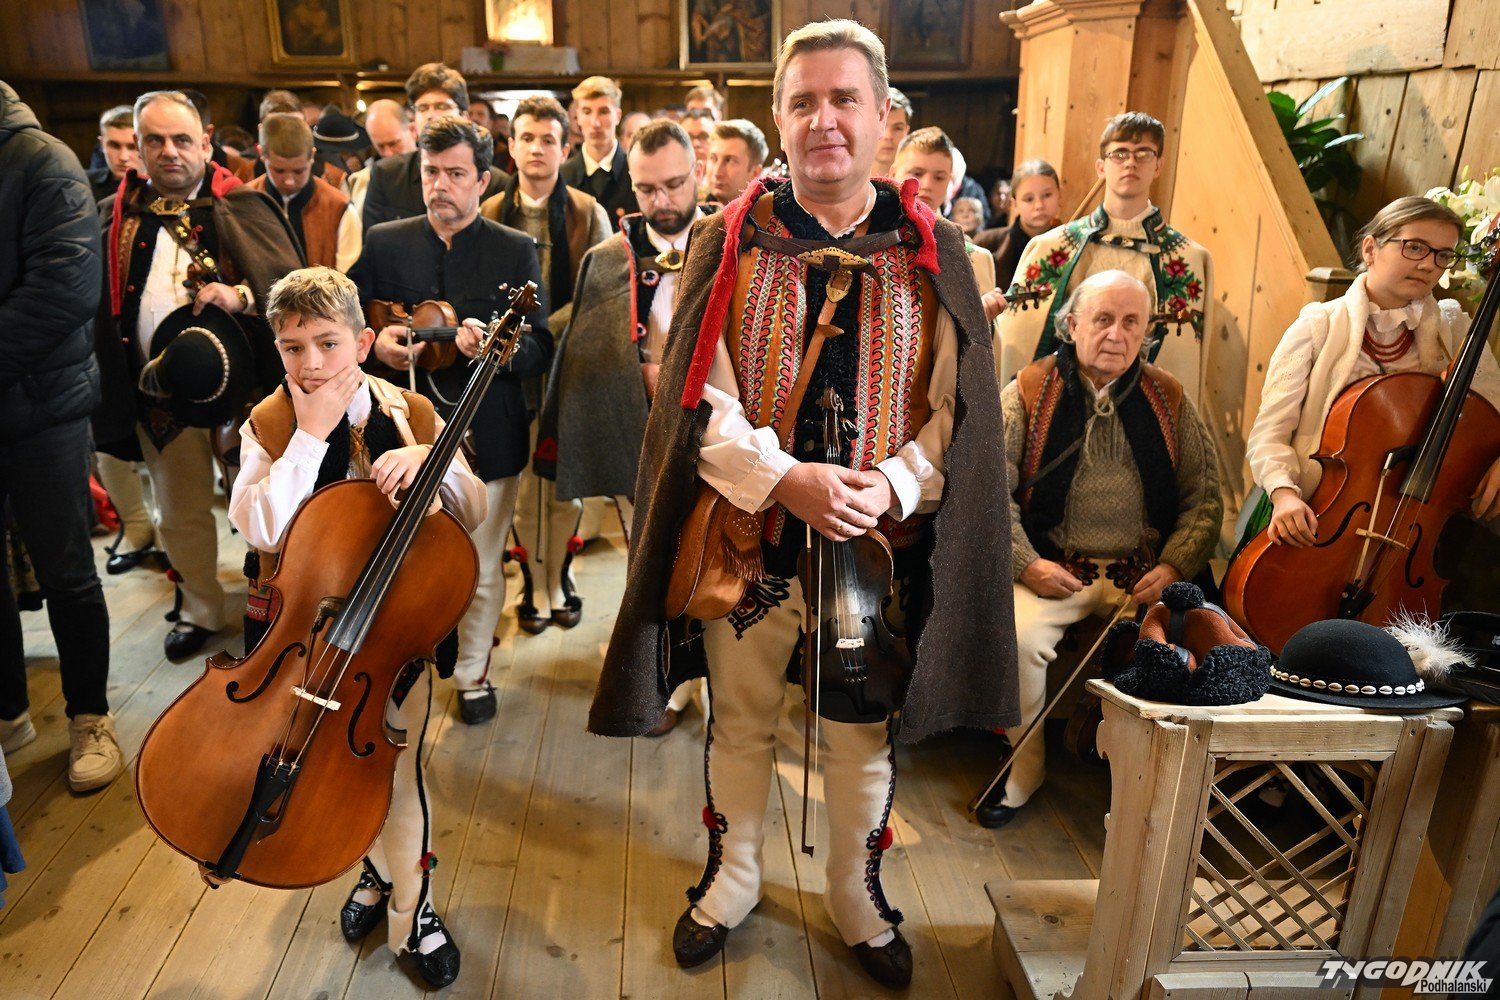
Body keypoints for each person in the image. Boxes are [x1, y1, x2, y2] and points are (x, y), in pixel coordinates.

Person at [587, 21, 1018, 989]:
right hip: (753, 540)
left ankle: (855, 894)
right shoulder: (729, 242)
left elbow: (959, 413)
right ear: (778, 120)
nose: (824, 119)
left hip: (877, 546)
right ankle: (734, 876)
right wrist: (786, 479)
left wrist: (891, 482)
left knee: (860, 732)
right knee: (740, 721)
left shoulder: (941, 252)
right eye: (803, 102)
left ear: (883, 115)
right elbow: (698, 399)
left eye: (844, 99)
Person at [229, 266, 485, 989]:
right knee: (327, 773)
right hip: (299, 639)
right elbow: (260, 526)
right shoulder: (270, 422)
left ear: (364, 343)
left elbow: (475, 508)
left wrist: (433, 463)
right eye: (292, 348)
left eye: (328, 343)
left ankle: (412, 907)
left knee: (395, 776)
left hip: (393, 633)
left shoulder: (411, 411)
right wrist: (309, 438)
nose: (311, 364)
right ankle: (374, 874)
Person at [976, 270, 1221, 830]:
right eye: (1103, 319)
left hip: (1144, 575)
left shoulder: (1170, 397)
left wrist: (1174, 565)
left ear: (1147, 332)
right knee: (1019, 638)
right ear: (1071, 325)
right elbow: (990, 491)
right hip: (1056, 567)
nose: (1116, 334)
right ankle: (1023, 769)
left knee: (1182, 652)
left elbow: (1204, 498)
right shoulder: (1028, 391)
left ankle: (1149, 791)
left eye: (1132, 322)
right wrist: (1027, 564)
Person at [350, 115, 551, 729]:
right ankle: (401, 668)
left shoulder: (514, 248)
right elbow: (350, 323)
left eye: (456, 174)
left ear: (483, 180)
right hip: (399, 431)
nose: (441, 185)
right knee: (401, 562)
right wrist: (377, 345)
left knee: (482, 566)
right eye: (431, 172)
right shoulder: (384, 241)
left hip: (488, 429)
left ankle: (471, 674)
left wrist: (496, 347)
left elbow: (539, 349)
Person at [92, 90, 303, 661]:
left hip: (247, 397)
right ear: (138, 147)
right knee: (178, 510)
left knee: (267, 509)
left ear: (205, 143)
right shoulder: (116, 216)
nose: (169, 151)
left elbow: (292, 286)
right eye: (155, 140)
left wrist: (241, 296)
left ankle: (277, 606)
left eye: (181, 139)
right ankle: (200, 609)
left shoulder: (244, 205)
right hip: (160, 398)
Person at [538, 119, 710, 734]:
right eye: (647, 189)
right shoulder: (611, 258)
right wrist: (634, 373)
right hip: (640, 436)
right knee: (652, 565)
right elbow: (592, 355)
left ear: (699, 171)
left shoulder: (735, 243)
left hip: (722, 435)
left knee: (713, 563)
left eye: (674, 184)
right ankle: (663, 687)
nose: (662, 201)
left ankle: (723, 690)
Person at [1241, 196, 1500, 549]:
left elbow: (1493, 411)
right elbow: (1269, 433)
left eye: (1443, 255)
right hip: (1315, 510)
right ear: (1370, 249)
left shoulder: (1454, 328)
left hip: (1411, 521)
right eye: (1415, 247)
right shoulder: (1317, 327)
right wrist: (1284, 494)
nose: (1428, 264)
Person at [0, 81, 120, 792]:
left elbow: (64, 289)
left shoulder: (41, 159)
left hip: (43, 408)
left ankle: (90, 717)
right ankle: (9, 711)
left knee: (67, 571)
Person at [476, 96, 610, 659]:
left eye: (548, 139)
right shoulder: (488, 209)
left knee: (561, 485)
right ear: (510, 146)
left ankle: (560, 575)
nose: (537, 148)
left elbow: (599, 292)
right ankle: (532, 580)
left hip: (567, 369)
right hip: (507, 373)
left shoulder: (587, 211)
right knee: (522, 490)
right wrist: (513, 339)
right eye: (526, 138)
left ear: (565, 146)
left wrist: (539, 332)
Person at [997, 112, 1212, 400]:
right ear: (1101, 166)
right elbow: (1016, 347)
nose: (1131, 162)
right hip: (1063, 404)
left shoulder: (1188, 259)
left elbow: (1183, 370)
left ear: (1159, 165)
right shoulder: (1051, 247)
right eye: (1119, 153)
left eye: (1143, 153)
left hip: (1143, 408)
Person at [361, 64, 506, 230]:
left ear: (464, 117)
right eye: (423, 108)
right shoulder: (387, 174)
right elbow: (374, 241)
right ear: (413, 119)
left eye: (442, 106)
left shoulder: (495, 183)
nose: (431, 115)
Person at [892, 127, 998, 321]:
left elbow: (989, 338)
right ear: (893, 173)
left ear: (950, 181)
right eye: (917, 173)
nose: (927, 185)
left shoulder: (974, 258)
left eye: (939, 177)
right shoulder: (866, 238)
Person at [246, 113, 361, 271]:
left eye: (299, 171)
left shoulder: (340, 208)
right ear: (261, 154)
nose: (289, 181)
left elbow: (348, 279)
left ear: (312, 155)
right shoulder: (244, 201)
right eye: (279, 170)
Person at [974, 159, 1062, 292]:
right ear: (1014, 204)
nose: (1039, 205)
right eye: (1029, 199)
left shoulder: (1071, 244)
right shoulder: (985, 243)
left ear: (1059, 195)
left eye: (1047, 195)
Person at [560, 76, 639, 224]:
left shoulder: (637, 172)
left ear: (617, 116)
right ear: (577, 117)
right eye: (587, 112)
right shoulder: (563, 176)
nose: (595, 123)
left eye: (603, 112)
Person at [345, 99, 415, 219]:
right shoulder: (363, 181)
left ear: (413, 130)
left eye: (393, 143)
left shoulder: (434, 172)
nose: (388, 153)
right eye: (380, 146)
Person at [703, 118, 766, 205]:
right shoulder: (693, 208)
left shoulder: (767, 211)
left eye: (729, 160)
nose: (717, 173)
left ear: (755, 172)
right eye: (713, 158)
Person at [87, 105, 140, 201]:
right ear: (102, 144)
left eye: (132, 147)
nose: (123, 157)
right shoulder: (84, 183)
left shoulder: (164, 186)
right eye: (115, 146)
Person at [870, 85, 910, 179]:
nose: (888, 136)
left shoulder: (920, 182)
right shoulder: (846, 178)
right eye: (882, 125)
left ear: (907, 131)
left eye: (898, 128)